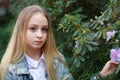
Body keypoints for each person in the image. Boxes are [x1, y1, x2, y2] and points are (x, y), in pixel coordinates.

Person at [0, 5, 74, 80]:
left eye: (44, 29)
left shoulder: (57, 60)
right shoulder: (10, 68)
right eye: (33, 28)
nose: (40, 35)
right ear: (21, 31)